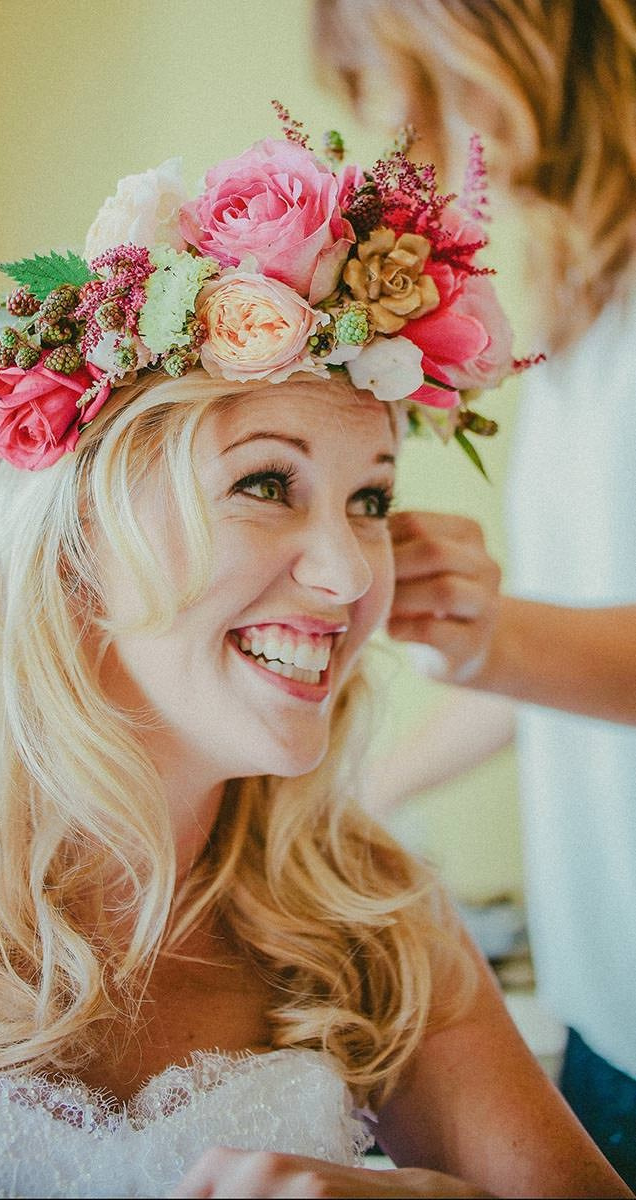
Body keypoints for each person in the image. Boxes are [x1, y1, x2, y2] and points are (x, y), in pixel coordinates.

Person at [0, 121, 630, 1199]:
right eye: (266, 484)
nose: (355, 575)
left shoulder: (375, 915)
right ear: (78, 542)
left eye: (373, 500)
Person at [313, 0, 636, 1187]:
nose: (399, 154)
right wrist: (360, 796)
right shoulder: (579, 332)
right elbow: (572, 662)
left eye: (402, 98)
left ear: (492, 63)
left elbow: (541, 647)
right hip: (607, 995)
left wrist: (490, 631)